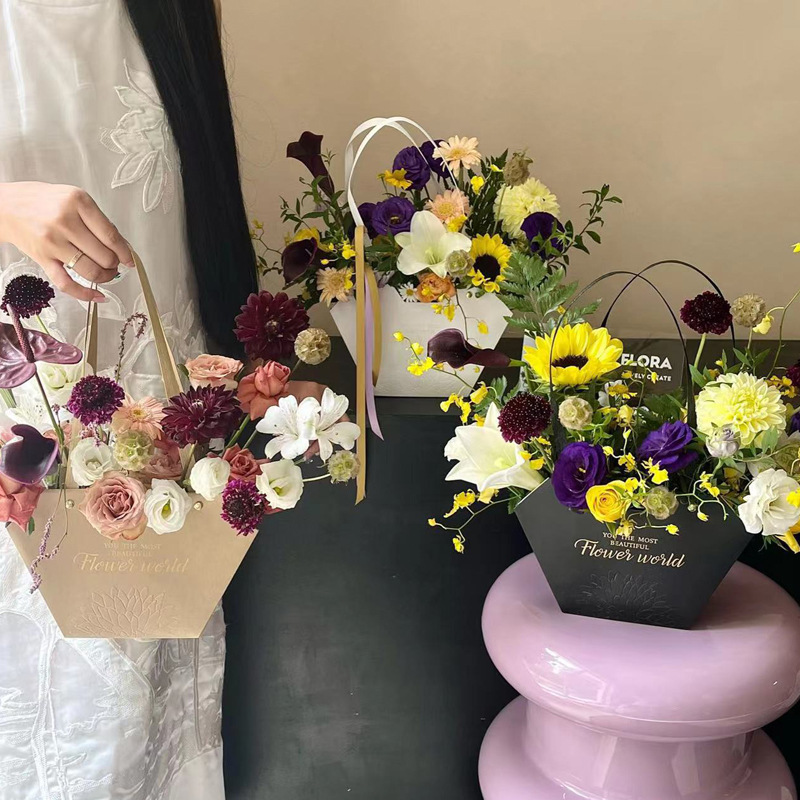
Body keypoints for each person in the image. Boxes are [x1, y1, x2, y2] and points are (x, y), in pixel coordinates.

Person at [0, 1, 257, 797]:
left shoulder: (165, 13)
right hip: (21, 416)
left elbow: (194, 234)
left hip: (156, 435)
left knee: (131, 725)